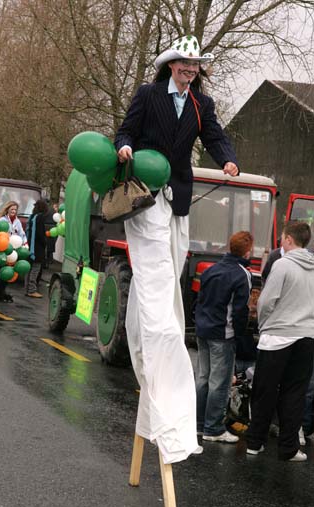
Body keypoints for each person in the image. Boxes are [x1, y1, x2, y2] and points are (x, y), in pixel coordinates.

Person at [114, 34, 239, 463]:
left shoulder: (203, 105)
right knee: (154, 268)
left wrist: (228, 158)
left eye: (194, 67)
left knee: (173, 261)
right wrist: (125, 147)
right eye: (184, 66)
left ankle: (165, 317)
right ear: (171, 66)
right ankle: (159, 331)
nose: (189, 72)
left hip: (178, 192)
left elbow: (218, 138)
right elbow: (126, 130)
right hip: (146, 187)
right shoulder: (149, 95)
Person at [246, 221, 314, 462]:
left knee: (264, 391)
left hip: (277, 337)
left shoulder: (282, 265)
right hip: (306, 336)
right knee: (295, 393)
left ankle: (255, 443)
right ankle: (289, 447)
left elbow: (266, 301)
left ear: (288, 240)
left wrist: (264, 325)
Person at [195, 231, 253, 443]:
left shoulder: (211, 269)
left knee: (203, 379)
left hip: (203, 329)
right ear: (247, 252)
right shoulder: (242, 274)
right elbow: (240, 310)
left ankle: (199, 425)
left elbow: (200, 299)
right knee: (219, 383)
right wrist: (239, 335)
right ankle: (214, 429)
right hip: (223, 333)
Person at [0, 201, 28, 302]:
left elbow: (22, 234)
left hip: (13, 250)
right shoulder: (2, 220)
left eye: (15, 210)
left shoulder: (17, 221)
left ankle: (2, 291)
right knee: (0, 269)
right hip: (3, 249)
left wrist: (25, 244)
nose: (14, 211)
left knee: (9, 271)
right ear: (8, 209)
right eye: (12, 209)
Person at [24, 199, 48, 298]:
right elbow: (40, 234)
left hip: (30, 246)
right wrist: (45, 242)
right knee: (35, 269)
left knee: (28, 269)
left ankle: (27, 289)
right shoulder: (40, 218)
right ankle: (32, 290)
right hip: (37, 248)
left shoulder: (32, 217)